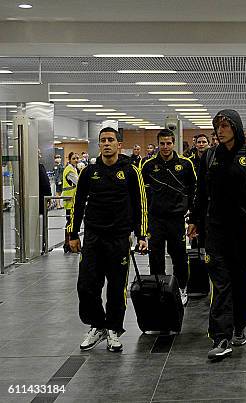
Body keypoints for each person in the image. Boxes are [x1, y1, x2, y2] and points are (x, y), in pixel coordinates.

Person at [187, 109, 246, 360]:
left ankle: (239, 326)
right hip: (216, 231)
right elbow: (201, 192)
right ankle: (220, 336)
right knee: (220, 284)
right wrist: (194, 220)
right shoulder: (209, 156)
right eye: (217, 126)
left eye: (225, 126)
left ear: (235, 127)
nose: (220, 130)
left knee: (239, 282)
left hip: (244, 231)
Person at [69, 127, 148, 353]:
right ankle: (98, 325)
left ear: (118, 145)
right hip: (93, 237)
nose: (106, 144)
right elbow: (78, 204)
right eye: (103, 140)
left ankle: (113, 328)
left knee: (116, 287)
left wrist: (142, 235)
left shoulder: (131, 171)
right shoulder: (89, 172)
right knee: (86, 285)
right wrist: (73, 233)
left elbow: (140, 204)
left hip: (119, 237)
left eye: (110, 140)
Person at [141, 129, 197, 306]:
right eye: (162, 143)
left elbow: (194, 191)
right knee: (155, 256)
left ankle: (181, 288)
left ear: (174, 143)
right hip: (155, 219)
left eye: (168, 143)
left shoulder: (186, 164)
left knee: (179, 256)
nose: (165, 147)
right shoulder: (148, 165)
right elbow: (142, 195)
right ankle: (160, 288)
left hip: (176, 219)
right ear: (158, 144)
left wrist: (192, 216)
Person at [186, 133, 211, 297]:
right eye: (199, 142)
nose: (201, 144)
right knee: (196, 245)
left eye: (204, 142)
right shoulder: (189, 162)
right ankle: (198, 282)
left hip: (210, 208)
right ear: (195, 144)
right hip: (195, 208)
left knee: (209, 245)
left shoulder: (213, 159)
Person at [61, 152, 80, 253]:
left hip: (72, 200)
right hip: (70, 200)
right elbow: (78, 182)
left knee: (70, 222)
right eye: (74, 158)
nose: (76, 160)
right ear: (69, 159)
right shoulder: (69, 170)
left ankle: (68, 244)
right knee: (70, 222)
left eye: (77, 158)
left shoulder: (74, 169)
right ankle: (67, 244)